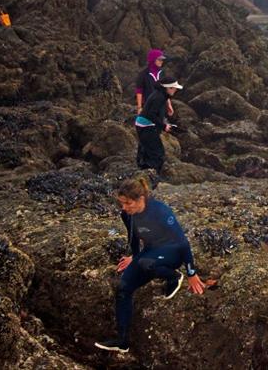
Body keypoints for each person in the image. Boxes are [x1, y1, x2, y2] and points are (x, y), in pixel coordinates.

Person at [95, 177, 205, 353]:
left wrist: (191, 273)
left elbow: (183, 243)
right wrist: (134, 257)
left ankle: (174, 277)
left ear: (140, 199)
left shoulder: (161, 212)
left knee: (146, 263)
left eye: (128, 203)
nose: (124, 207)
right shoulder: (127, 215)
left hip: (172, 252)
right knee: (123, 288)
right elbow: (133, 238)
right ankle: (122, 341)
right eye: (121, 203)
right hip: (151, 253)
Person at [135, 77, 182, 172]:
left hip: (143, 125)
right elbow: (151, 114)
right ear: (168, 88)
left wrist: (164, 123)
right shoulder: (159, 97)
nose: (176, 90)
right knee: (157, 154)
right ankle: (152, 176)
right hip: (146, 127)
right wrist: (164, 126)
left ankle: (142, 171)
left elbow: (154, 113)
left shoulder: (160, 94)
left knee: (146, 150)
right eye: (174, 88)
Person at [135, 49, 172, 117]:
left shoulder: (162, 73)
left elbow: (165, 90)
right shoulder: (143, 74)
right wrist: (139, 107)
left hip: (161, 105)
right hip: (148, 105)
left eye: (162, 60)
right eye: (159, 59)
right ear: (153, 60)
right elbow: (139, 91)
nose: (161, 61)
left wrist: (169, 105)